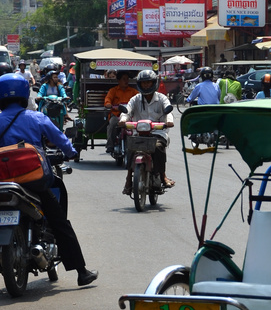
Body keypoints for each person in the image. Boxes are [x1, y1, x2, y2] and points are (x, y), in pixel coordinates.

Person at [0, 74, 97, 286]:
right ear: (25, 95)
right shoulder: (36, 118)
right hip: (34, 182)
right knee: (60, 222)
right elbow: (61, 140)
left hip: (3, 183)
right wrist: (71, 152)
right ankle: (81, 272)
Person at [119, 69, 174, 195]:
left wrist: (169, 121)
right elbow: (127, 111)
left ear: (154, 83)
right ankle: (128, 180)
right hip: (139, 133)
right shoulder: (135, 99)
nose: (146, 85)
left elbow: (168, 111)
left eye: (149, 83)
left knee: (159, 148)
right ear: (139, 84)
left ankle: (163, 175)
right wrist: (123, 120)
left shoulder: (162, 98)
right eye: (144, 83)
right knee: (131, 149)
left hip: (158, 133)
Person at [104, 70, 138, 154]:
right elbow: (107, 100)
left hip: (130, 115)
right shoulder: (113, 91)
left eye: (127, 79)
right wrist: (108, 104)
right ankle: (110, 145)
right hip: (117, 114)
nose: (126, 81)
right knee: (112, 124)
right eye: (124, 79)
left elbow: (139, 98)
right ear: (118, 81)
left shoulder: (133, 91)